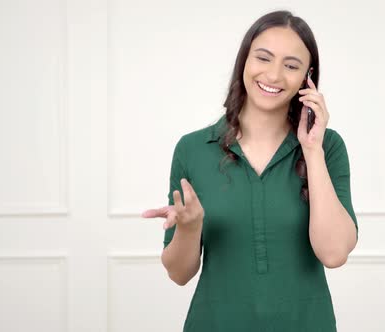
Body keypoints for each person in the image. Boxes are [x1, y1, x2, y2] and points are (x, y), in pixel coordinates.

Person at [142, 10, 358, 332]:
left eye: (291, 65)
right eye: (263, 58)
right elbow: (179, 273)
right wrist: (189, 228)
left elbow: (334, 253)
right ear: (245, 60)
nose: (273, 75)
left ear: (307, 78)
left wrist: (312, 149)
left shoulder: (327, 147)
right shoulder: (193, 148)